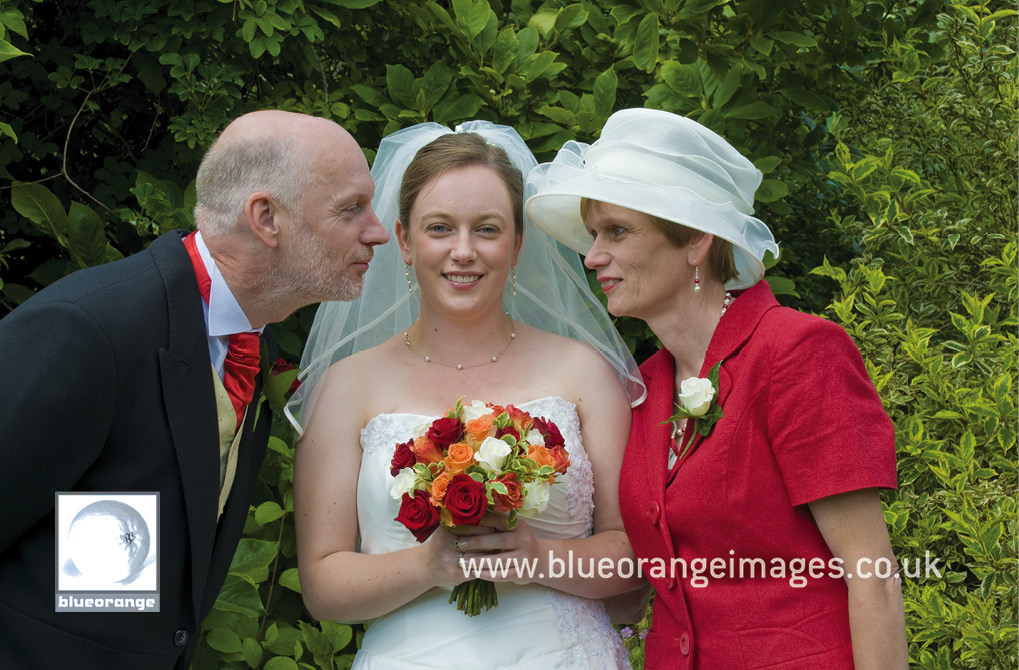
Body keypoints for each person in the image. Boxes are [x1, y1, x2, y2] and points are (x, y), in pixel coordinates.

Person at [0, 110, 389, 669]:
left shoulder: (251, 346)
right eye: (351, 209)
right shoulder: (88, 331)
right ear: (266, 218)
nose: (376, 230)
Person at [525, 108, 907, 669]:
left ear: (696, 240)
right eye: (592, 234)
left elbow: (873, 578)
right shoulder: (645, 386)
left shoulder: (796, 352)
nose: (593, 256)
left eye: (617, 231)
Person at [289, 121, 646, 670]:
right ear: (405, 241)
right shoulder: (349, 384)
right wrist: (430, 566)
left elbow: (631, 562)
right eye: (439, 228)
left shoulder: (583, 373)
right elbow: (322, 586)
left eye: (486, 229)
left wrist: (536, 558)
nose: (463, 251)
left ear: (518, 243)